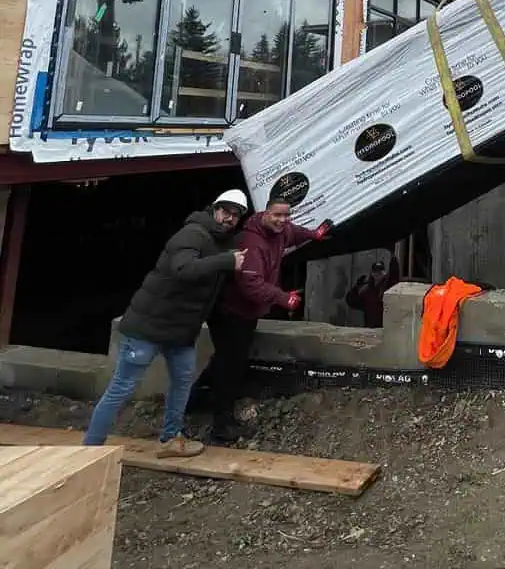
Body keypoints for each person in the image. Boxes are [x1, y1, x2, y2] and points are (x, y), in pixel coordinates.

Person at [83, 190, 248, 456]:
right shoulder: (193, 234)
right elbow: (183, 269)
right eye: (225, 211)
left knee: (182, 383)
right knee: (122, 387)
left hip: (180, 332)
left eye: (236, 215)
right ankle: (89, 449)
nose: (230, 218)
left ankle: (171, 439)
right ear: (214, 209)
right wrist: (226, 261)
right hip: (148, 328)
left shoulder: (221, 243)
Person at [202, 199, 331, 444]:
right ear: (265, 213)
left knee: (227, 360)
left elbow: (294, 233)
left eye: (286, 215)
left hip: (246, 313)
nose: (282, 221)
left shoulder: (281, 231)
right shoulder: (252, 243)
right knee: (231, 365)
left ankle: (198, 399)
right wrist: (283, 298)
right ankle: (221, 425)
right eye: (277, 216)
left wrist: (313, 234)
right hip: (231, 312)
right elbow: (251, 285)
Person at [344, 255, 401, 328]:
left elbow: (394, 276)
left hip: (383, 328)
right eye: (375, 272)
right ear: (372, 273)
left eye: (380, 272)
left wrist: (394, 259)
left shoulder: (387, 287)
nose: (377, 274)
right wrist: (356, 288)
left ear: (384, 273)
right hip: (370, 328)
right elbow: (352, 302)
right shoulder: (367, 290)